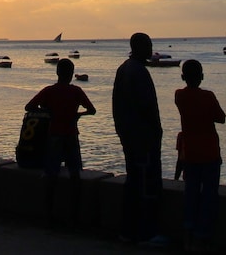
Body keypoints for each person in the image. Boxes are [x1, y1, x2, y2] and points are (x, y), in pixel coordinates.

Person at [24, 57, 95, 227]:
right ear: (71, 74)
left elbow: (29, 107)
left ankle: (48, 215)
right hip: (71, 134)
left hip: (54, 134)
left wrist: (47, 111)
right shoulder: (77, 91)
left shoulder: (49, 91)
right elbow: (92, 110)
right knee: (75, 174)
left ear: (57, 73)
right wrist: (78, 115)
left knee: (51, 175)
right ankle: (74, 215)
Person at [112, 32, 167, 247]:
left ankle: (128, 230)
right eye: (148, 46)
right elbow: (147, 107)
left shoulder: (124, 69)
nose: (150, 50)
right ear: (139, 47)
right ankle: (145, 233)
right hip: (142, 138)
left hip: (129, 136)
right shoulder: (138, 72)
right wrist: (156, 131)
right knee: (146, 184)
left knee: (133, 183)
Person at [174, 59, 225, 252]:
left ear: (182, 77)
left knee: (191, 195)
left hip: (190, 153)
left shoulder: (179, 95)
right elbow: (221, 118)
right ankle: (202, 237)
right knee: (209, 196)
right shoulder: (208, 96)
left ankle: (188, 237)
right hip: (210, 151)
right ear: (202, 76)